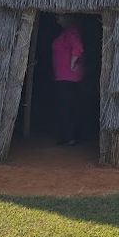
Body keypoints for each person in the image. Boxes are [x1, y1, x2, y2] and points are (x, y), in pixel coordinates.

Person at [51, 14, 85, 145]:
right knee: (66, 106)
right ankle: (68, 137)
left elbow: (78, 47)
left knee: (67, 107)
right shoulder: (66, 32)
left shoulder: (70, 32)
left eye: (60, 15)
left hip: (68, 77)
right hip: (63, 76)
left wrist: (72, 64)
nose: (57, 17)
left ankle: (69, 138)